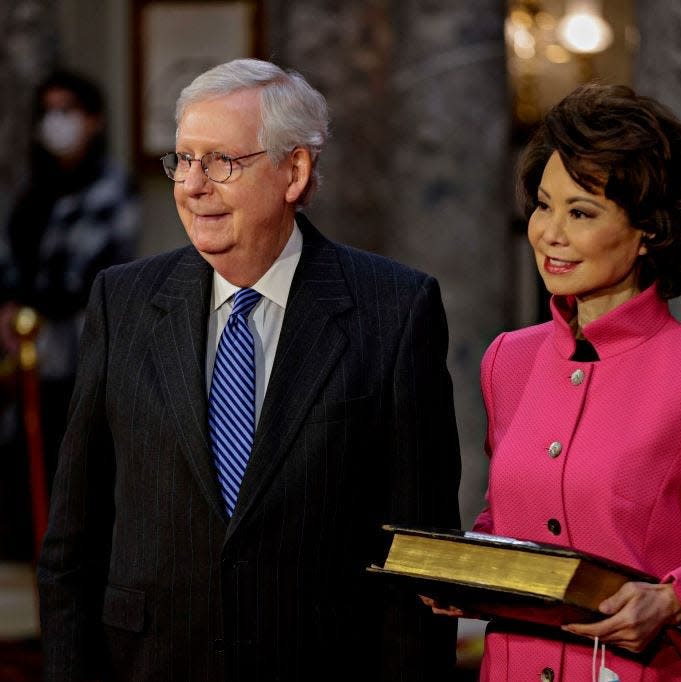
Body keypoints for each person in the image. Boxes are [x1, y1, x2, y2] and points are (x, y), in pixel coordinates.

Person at [36, 58, 461, 681]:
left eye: (221, 162)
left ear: (295, 170)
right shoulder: (121, 301)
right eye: (183, 160)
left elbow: (420, 562)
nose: (193, 185)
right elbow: (74, 543)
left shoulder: (393, 310)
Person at [425, 83, 681, 681]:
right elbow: (505, 520)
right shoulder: (508, 360)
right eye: (543, 204)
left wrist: (676, 600)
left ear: (648, 231)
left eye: (581, 212)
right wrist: (472, 578)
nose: (550, 232)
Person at [0, 69, 140, 488]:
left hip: (79, 353)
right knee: (24, 467)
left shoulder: (111, 188)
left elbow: (100, 268)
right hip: (26, 355)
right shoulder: (31, 189)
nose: (56, 121)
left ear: (93, 120)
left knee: (76, 467)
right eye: (48, 112)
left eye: (67, 111)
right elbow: (6, 255)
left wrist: (36, 304)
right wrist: (6, 306)